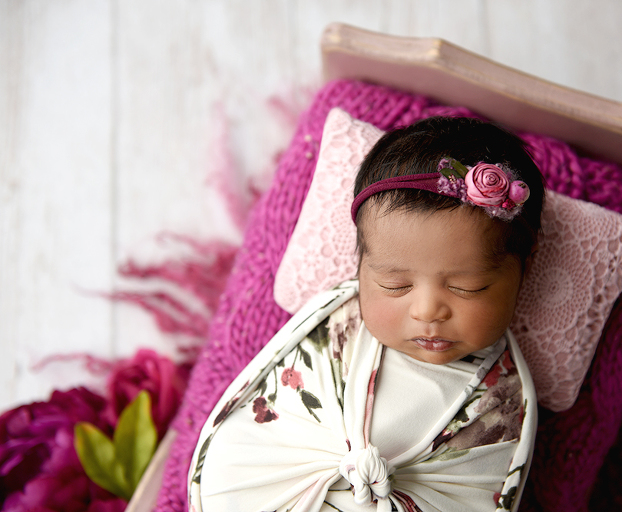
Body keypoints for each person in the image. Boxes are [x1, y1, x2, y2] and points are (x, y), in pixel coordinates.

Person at [188, 116, 545, 512]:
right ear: (360, 267)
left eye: (467, 287)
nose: (427, 310)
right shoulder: (337, 328)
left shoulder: (504, 398)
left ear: (524, 269)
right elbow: (263, 430)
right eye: (395, 285)